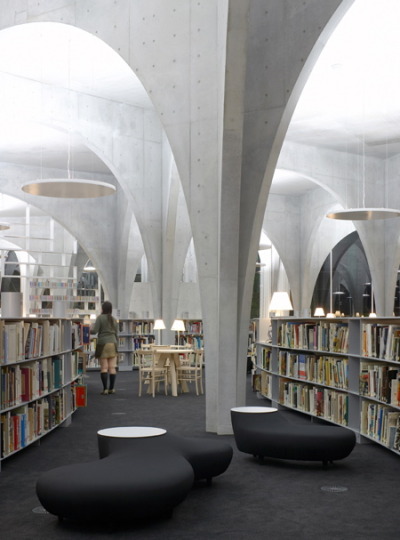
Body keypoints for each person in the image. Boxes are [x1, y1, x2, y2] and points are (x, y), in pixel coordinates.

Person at [91, 301, 119, 394]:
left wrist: (86, 329)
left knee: (104, 368)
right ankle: (112, 388)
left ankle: (105, 389)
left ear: (103, 308)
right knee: (112, 367)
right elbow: (116, 334)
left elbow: (95, 331)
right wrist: (117, 347)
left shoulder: (100, 318)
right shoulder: (114, 319)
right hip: (113, 343)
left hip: (103, 344)